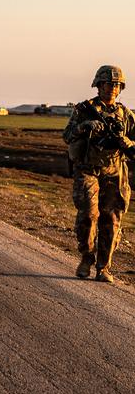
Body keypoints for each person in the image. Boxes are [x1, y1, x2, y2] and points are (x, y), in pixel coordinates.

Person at [63, 65, 135, 283]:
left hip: (115, 171)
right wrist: (84, 126)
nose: (112, 89)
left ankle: (104, 267)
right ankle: (87, 256)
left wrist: (127, 142)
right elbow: (67, 135)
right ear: (98, 85)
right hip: (88, 169)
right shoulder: (84, 110)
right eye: (107, 84)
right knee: (88, 215)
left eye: (116, 85)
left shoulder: (125, 114)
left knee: (112, 219)